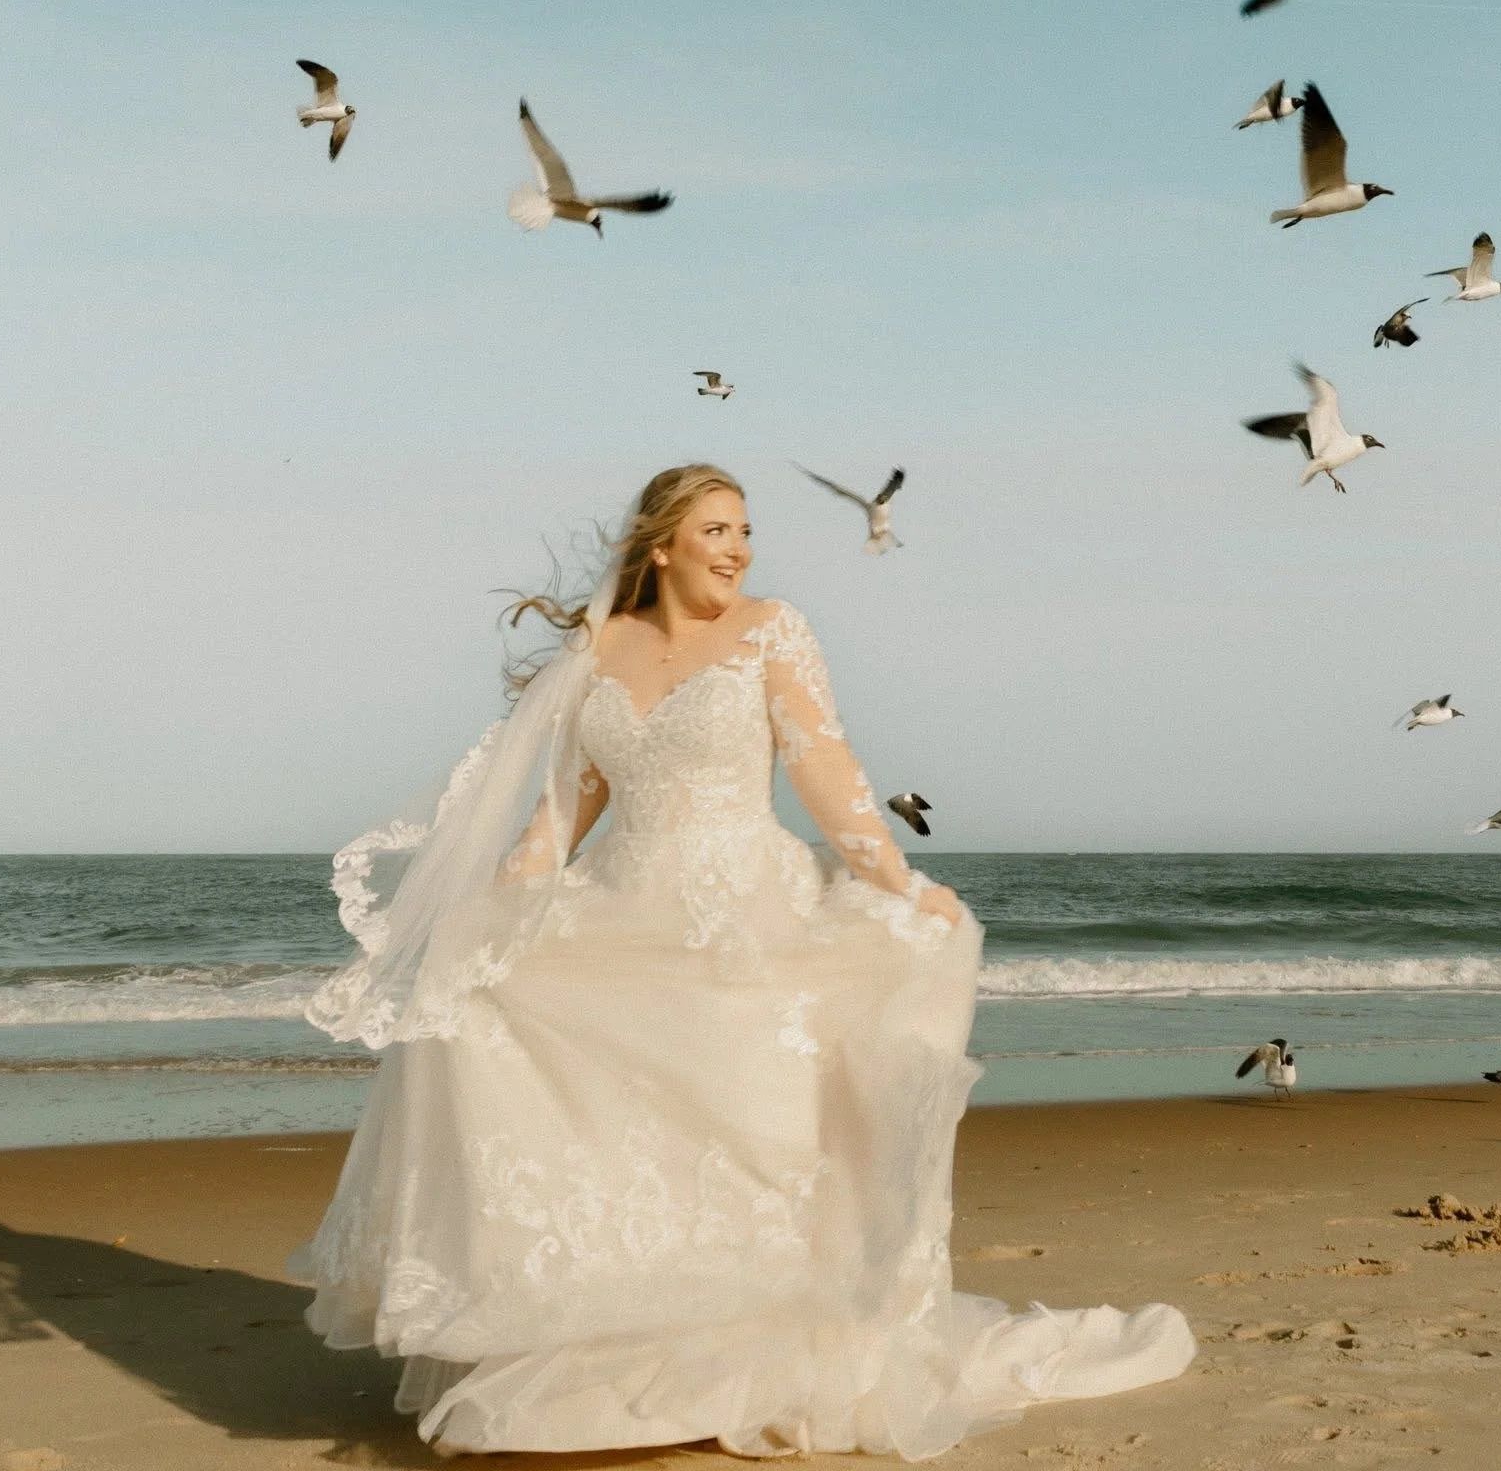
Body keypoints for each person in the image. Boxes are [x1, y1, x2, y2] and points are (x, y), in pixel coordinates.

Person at [292, 463, 1192, 1458]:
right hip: (620, 919)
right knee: (564, 1086)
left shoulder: (771, 627)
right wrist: (487, 921)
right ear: (662, 542)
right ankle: (617, 1359)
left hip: (746, 920)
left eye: (744, 528)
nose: (737, 546)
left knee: (751, 1136)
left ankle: (760, 1365)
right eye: (715, 528)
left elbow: (823, 765)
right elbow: (558, 815)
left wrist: (898, 881)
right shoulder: (598, 651)